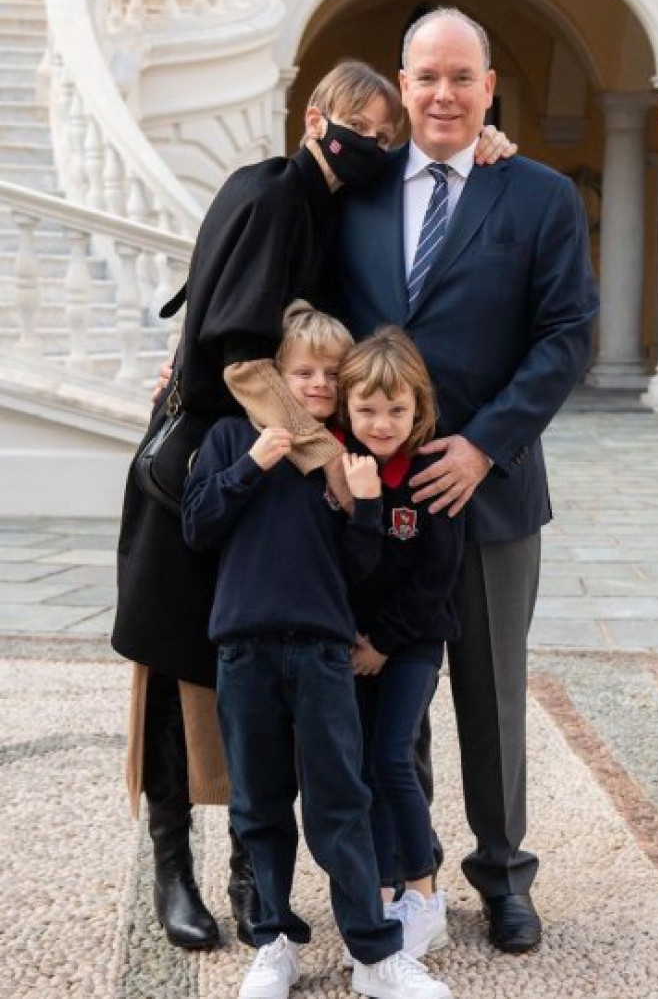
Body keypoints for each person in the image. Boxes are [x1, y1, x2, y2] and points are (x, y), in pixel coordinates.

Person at [111, 60, 406, 951]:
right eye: (362, 126)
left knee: (242, 670)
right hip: (208, 462)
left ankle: (252, 873)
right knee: (173, 668)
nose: (375, 146)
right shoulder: (277, 194)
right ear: (316, 118)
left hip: (255, 455)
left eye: (387, 137)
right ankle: (173, 868)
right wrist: (321, 458)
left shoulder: (306, 197)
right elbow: (240, 358)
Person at [333, 7, 600, 954]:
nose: (443, 94)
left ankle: (503, 875)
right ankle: (412, 876)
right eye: (426, 77)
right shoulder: (352, 194)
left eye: (461, 78)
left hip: (490, 493)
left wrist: (484, 444)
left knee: (491, 696)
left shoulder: (535, 195)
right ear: (401, 88)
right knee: (387, 689)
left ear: (491, 88)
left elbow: (567, 333)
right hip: (374, 500)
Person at [182, 303, 453, 999]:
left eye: (331, 374)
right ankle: (273, 942)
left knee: (340, 803)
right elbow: (197, 526)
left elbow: (358, 571)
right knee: (259, 805)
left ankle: (374, 954)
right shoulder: (227, 437)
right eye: (302, 371)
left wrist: (363, 507)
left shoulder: (344, 461)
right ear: (278, 372)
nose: (316, 384)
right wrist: (249, 465)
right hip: (243, 646)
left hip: (324, 651)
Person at [337, 328, 464, 959]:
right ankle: (383, 893)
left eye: (396, 410)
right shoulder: (342, 469)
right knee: (361, 767)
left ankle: (424, 890)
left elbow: (436, 576)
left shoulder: (428, 474)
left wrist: (384, 641)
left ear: (420, 410)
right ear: (345, 406)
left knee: (394, 757)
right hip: (354, 644)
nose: (381, 423)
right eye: (366, 409)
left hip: (411, 642)